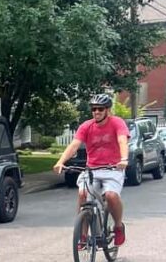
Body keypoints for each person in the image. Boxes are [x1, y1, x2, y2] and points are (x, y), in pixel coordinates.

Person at [53, 93, 129, 246]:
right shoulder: (87, 126)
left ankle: (119, 226)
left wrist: (124, 159)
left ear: (108, 110)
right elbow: (74, 145)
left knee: (111, 196)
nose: (96, 112)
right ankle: (82, 236)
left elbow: (122, 141)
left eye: (100, 109)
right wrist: (60, 162)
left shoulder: (117, 123)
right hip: (92, 169)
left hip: (113, 168)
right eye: (94, 109)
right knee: (83, 194)